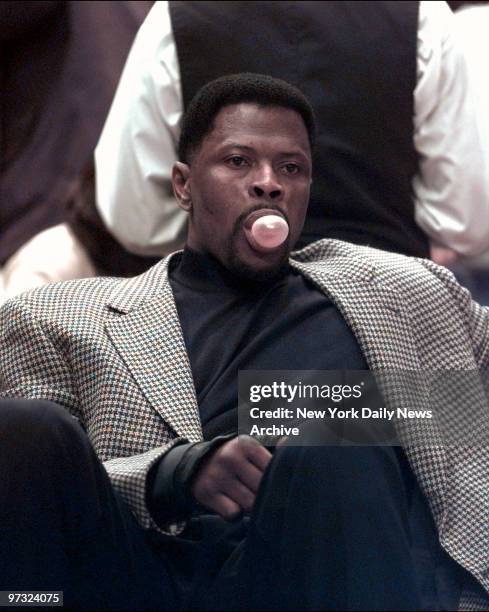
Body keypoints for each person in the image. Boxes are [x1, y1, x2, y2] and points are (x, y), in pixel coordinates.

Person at [1, 74, 489, 611]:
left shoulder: (398, 291)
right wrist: (177, 473)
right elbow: (48, 495)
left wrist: (301, 410)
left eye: (291, 168)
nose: (268, 183)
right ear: (184, 185)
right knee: (24, 429)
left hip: (309, 572)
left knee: (328, 447)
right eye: (238, 161)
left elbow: (460, 415)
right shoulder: (62, 315)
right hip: (138, 577)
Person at [94, 0, 489, 261]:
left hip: (228, 322)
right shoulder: (423, 14)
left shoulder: (174, 16)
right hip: (387, 313)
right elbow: (463, 221)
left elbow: (136, 220)